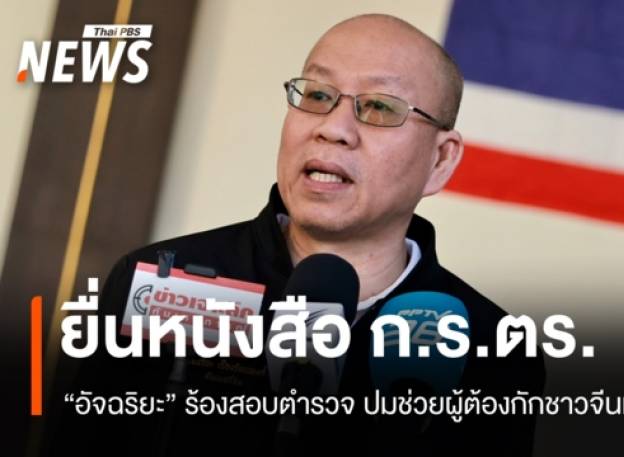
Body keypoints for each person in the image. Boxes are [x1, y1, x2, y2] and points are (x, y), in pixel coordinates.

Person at [56, 14, 544, 457]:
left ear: (440, 160)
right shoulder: (158, 286)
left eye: (378, 106)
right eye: (317, 96)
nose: (333, 128)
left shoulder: (495, 351)